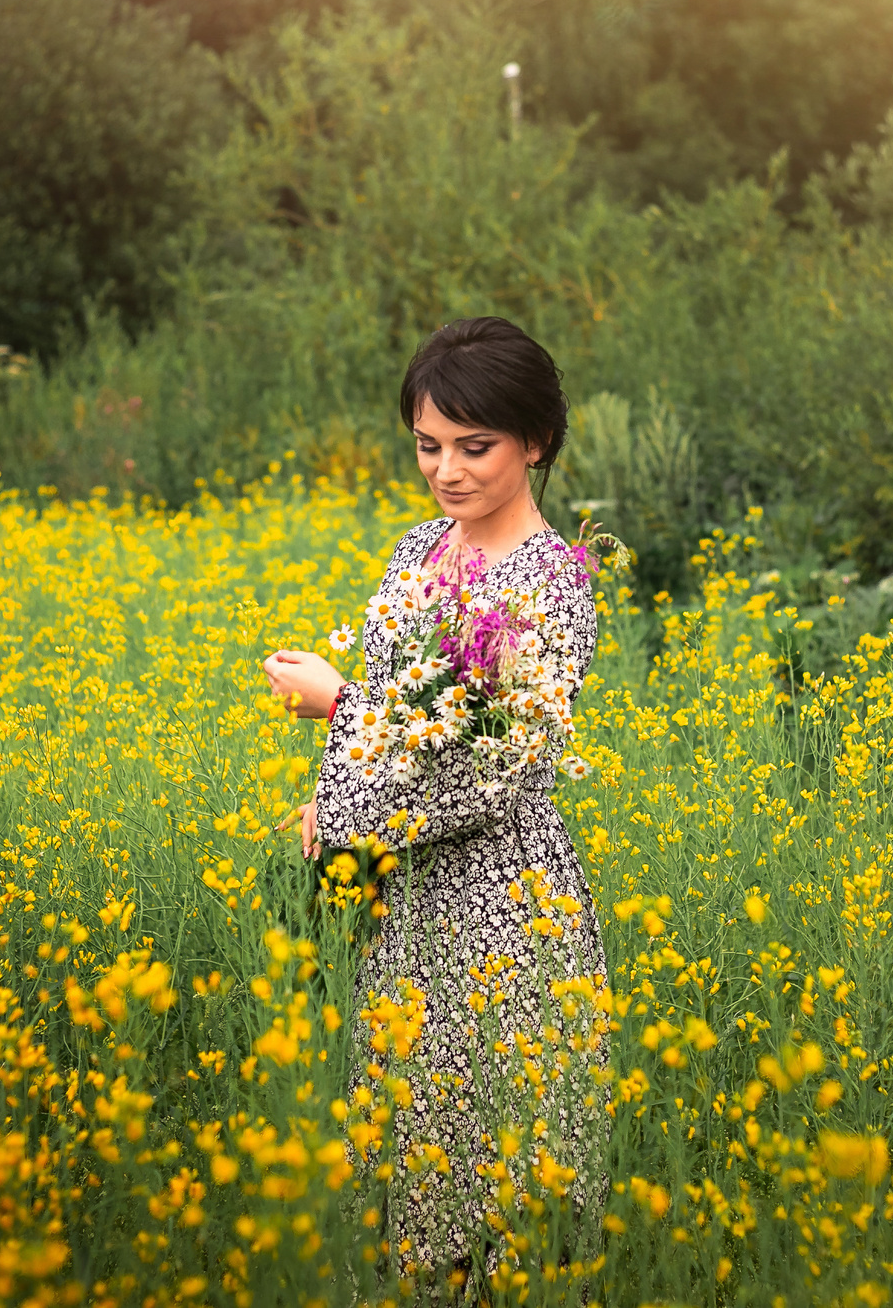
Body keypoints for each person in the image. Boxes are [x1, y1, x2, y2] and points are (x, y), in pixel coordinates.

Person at [262, 316, 611, 1295]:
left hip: (496, 904)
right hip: (402, 897)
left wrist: (336, 706)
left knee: (483, 1181)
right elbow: (396, 723)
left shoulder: (549, 586)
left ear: (534, 443)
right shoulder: (420, 547)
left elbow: (487, 768)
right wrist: (332, 803)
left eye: (475, 446)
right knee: (410, 1165)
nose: (446, 471)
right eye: (427, 445)